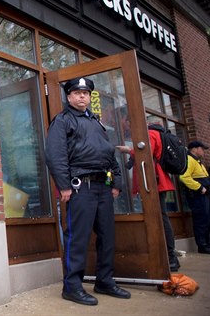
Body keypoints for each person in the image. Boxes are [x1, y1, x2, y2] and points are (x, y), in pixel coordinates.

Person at [45, 78, 131, 306]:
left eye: (85, 92)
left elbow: (109, 154)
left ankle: (104, 281)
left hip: (103, 187)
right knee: (78, 239)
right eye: (77, 92)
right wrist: (63, 184)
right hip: (80, 187)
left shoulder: (96, 122)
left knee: (107, 237)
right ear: (69, 96)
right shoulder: (62, 121)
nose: (82, 96)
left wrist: (117, 182)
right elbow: (55, 155)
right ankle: (72, 287)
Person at [117, 123, 180, 271]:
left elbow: (145, 153)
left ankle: (169, 256)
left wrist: (128, 150)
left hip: (153, 182)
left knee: (159, 217)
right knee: (160, 216)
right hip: (157, 181)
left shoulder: (151, 134)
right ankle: (168, 255)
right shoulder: (159, 134)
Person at [179, 141, 210, 254]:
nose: (203, 151)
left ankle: (208, 244)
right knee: (201, 221)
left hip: (204, 196)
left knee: (207, 220)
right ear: (194, 149)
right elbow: (184, 177)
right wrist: (200, 188)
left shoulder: (197, 161)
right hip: (198, 196)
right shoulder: (190, 160)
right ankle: (203, 246)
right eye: (202, 148)